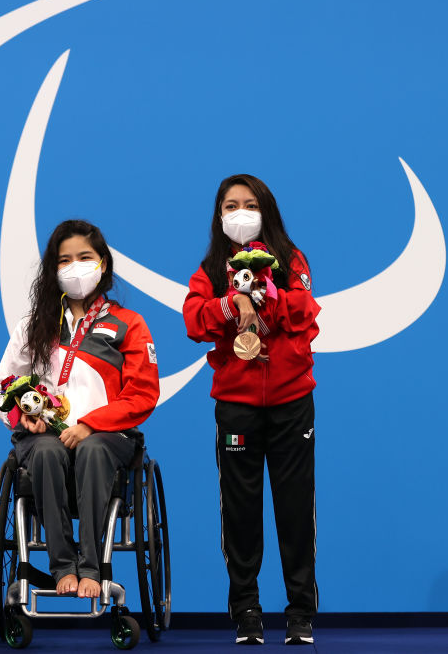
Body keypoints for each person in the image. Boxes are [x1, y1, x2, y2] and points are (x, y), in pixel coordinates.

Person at [183, 174, 321, 646]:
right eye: (230, 206)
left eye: (249, 204)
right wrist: (231, 303)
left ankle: (300, 612)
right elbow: (194, 320)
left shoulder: (291, 260)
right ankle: (246, 611)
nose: (240, 213)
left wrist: (266, 297)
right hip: (237, 405)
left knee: (295, 508)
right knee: (240, 512)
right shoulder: (211, 269)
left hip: (291, 403)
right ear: (218, 215)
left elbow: (305, 312)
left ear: (267, 210)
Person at [0, 220, 160, 599]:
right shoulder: (34, 326)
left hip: (108, 437)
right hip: (45, 437)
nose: (75, 267)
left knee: (93, 448)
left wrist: (90, 424)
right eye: (64, 260)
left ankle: (92, 567)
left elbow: (143, 393)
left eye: (84, 257)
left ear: (103, 263)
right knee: (47, 452)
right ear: (53, 270)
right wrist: (24, 416)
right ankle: (63, 566)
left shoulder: (128, 324)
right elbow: (5, 385)